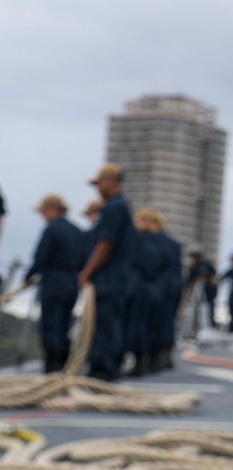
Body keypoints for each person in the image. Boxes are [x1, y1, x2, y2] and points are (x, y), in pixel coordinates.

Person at [80, 163, 139, 381]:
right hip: (119, 277)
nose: (98, 189)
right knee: (110, 321)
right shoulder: (121, 207)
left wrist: (86, 272)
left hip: (111, 278)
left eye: (99, 184)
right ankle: (107, 365)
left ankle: (103, 369)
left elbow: (105, 244)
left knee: (106, 322)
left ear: (110, 182)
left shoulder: (113, 208)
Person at [26, 194, 84, 373]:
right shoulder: (77, 231)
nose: (43, 216)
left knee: (51, 323)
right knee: (65, 322)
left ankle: (53, 365)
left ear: (52, 210)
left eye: (43, 212)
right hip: (72, 282)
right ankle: (65, 362)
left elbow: (41, 257)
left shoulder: (52, 230)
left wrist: (28, 276)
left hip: (54, 280)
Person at [126, 207, 169, 376]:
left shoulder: (146, 242)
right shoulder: (163, 242)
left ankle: (141, 362)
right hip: (154, 289)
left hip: (144, 289)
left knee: (141, 326)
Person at [139, 208, 183, 370]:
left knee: (151, 323)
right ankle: (164, 356)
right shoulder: (172, 243)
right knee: (167, 322)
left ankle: (153, 358)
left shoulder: (150, 242)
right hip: (171, 287)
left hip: (157, 286)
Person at [186, 249, 218, 332]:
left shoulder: (206, 265)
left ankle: (209, 328)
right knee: (195, 310)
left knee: (208, 309)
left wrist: (204, 278)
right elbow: (189, 282)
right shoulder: (193, 268)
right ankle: (194, 328)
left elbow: (214, 275)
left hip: (208, 291)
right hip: (197, 293)